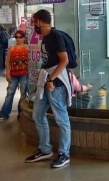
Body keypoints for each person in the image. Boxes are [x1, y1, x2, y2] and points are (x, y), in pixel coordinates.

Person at [25, 9, 72, 168]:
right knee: (38, 114)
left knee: (61, 118)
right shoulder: (45, 38)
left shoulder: (55, 36)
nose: (34, 26)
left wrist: (51, 79)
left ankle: (64, 153)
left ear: (39, 21)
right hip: (46, 80)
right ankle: (45, 149)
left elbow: (64, 61)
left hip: (56, 83)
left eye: (34, 22)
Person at [0, 30, 29, 121]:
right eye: (16, 37)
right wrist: (7, 73)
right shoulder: (11, 48)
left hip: (24, 74)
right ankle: (4, 113)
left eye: (20, 37)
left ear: (24, 38)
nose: (18, 39)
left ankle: (21, 113)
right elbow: (8, 62)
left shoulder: (28, 48)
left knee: (23, 95)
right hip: (13, 74)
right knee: (10, 94)